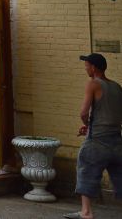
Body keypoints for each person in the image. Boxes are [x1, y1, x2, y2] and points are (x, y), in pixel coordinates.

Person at [65, 53, 122, 219]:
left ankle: (86, 212)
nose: (85, 68)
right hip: (117, 140)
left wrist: (89, 125)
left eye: (87, 65)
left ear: (94, 68)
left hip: (97, 140)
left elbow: (83, 112)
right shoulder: (117, 87)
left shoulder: (93, 84)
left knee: (86, 169)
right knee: (119, 175)